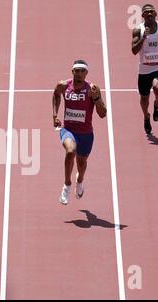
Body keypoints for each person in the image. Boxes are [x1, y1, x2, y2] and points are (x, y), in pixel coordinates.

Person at [52, 60, 107, 205]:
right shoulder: (64, 85)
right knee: (70, 152)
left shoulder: (93, 89)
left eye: (82, 71)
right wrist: (55, 115)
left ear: (86, 73)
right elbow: (56, 94)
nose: (79, 73)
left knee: (82, 163)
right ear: (72, 72)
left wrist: (96, 98)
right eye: (77, 70)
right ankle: (67, 185)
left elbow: (103, 113)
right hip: (68, 130)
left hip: (86, 134)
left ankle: (80, 180)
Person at [132, 4, 158, 134]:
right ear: (143, 15)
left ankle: (156, 104)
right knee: (144, 98)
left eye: (151, 11)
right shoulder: (138, 30)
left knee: (156, 86)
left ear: (155, 14)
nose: (149, 13)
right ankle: (146, 117)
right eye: (146, 12)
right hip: (144, 69)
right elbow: (134, 50)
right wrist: (143, 38)